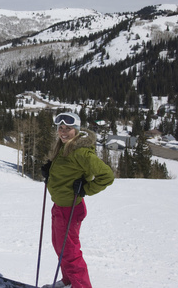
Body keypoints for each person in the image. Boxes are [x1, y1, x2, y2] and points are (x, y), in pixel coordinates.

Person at [40, 112, 114, 288]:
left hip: (70, 209)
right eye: (61, 128)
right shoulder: (63, 146)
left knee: (70, 252)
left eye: (69, 128)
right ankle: (69, 282)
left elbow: (107, 176)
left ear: (77, 130)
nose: (63, 132)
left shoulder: (80, 152)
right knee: (60, 248)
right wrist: (50, 171)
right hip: (59, 206)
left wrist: (85, 189)